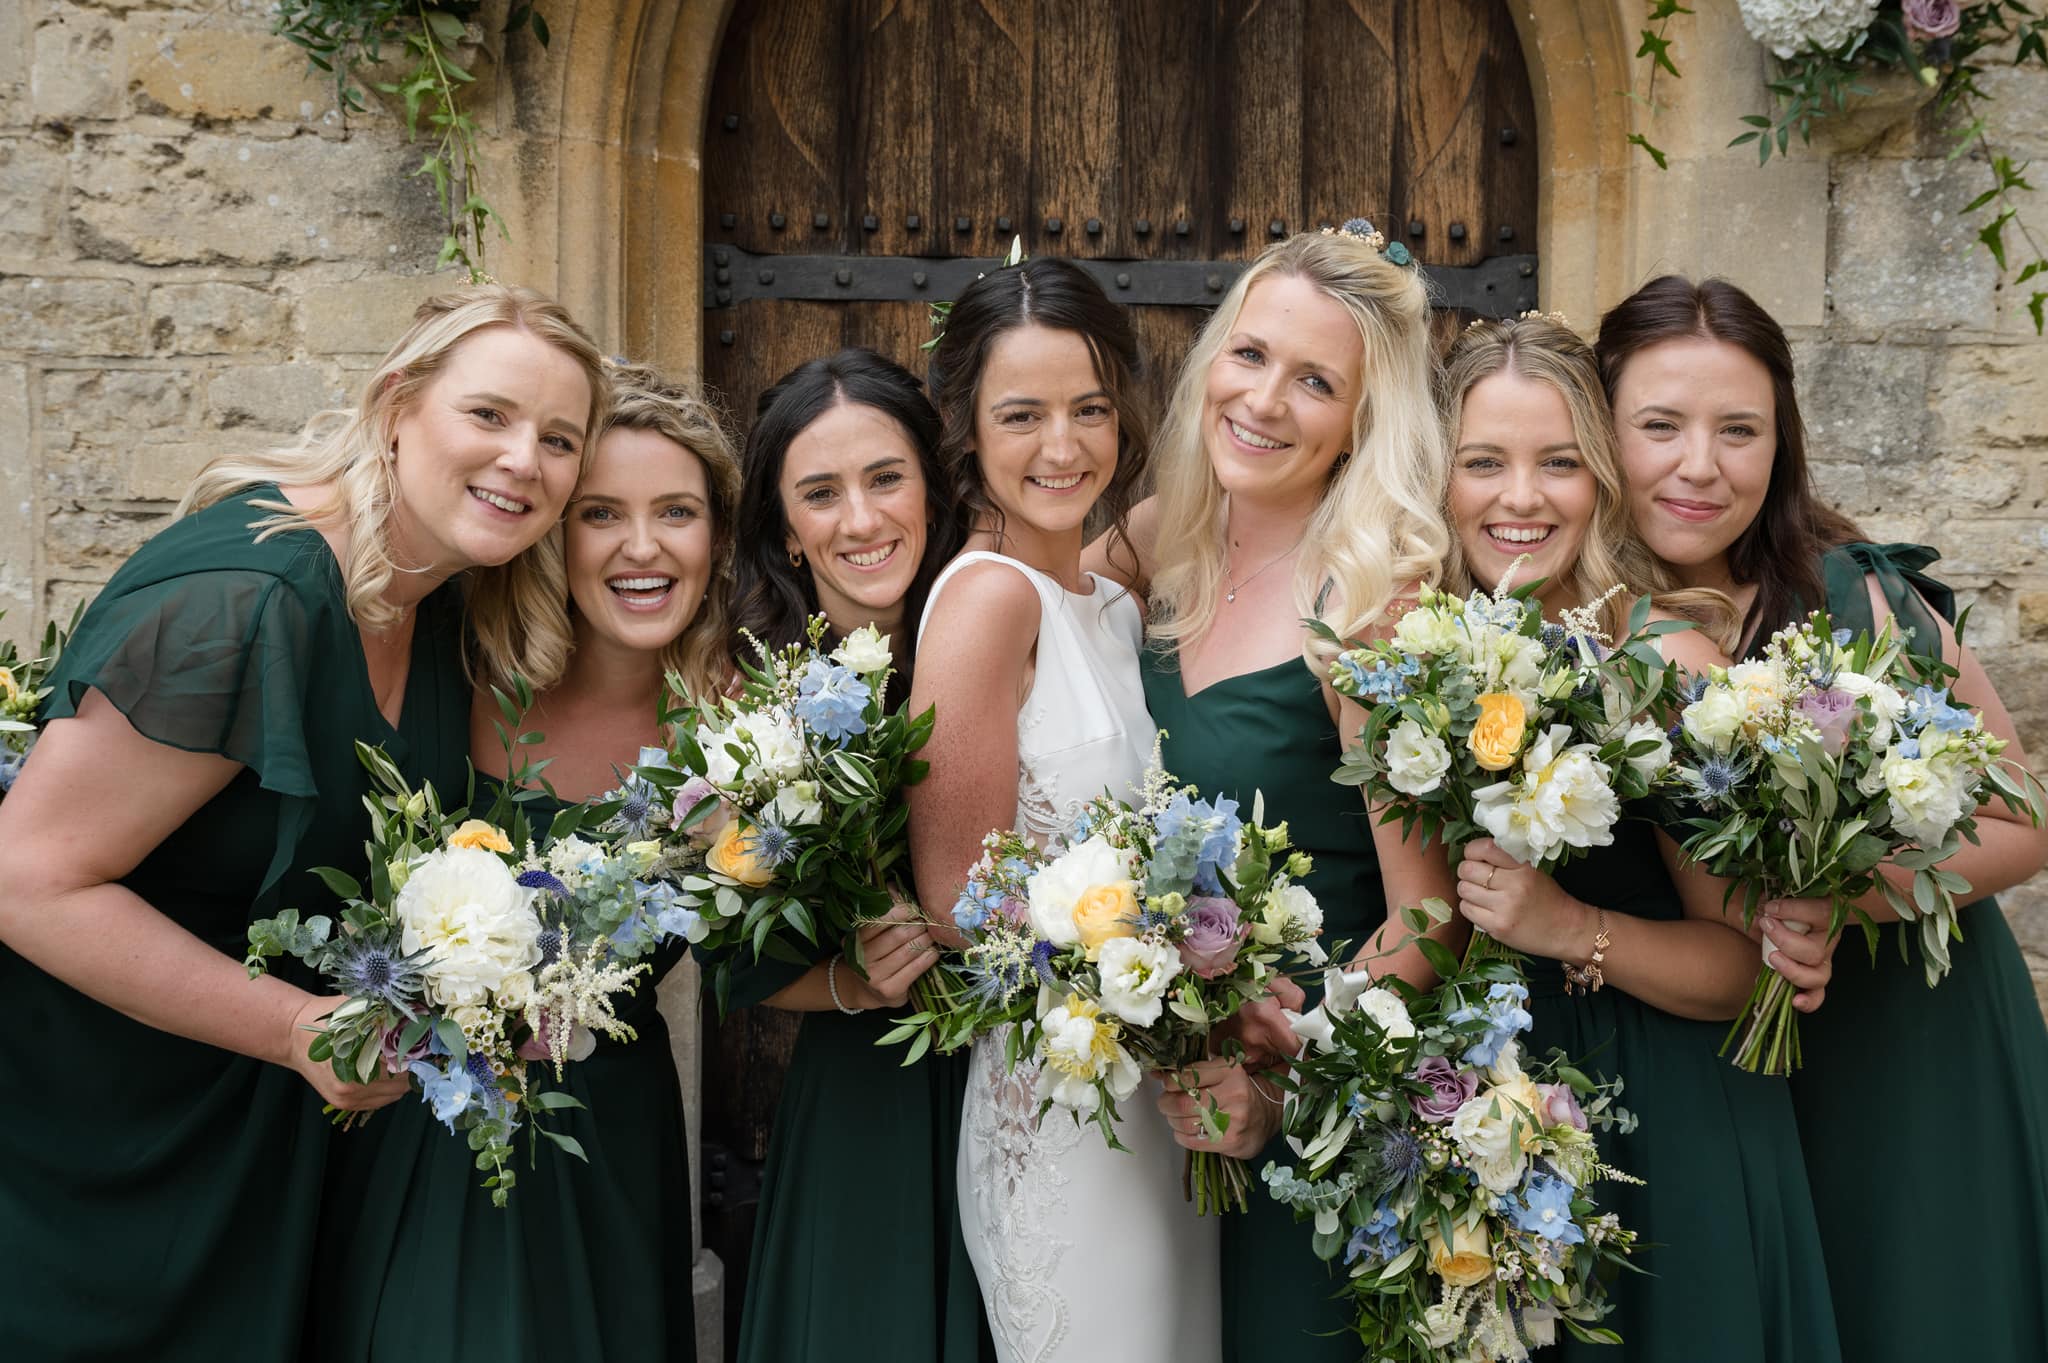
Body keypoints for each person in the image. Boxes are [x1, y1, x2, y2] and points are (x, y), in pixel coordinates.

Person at [0, 284, 605, 1362]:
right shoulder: (245, 602)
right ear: (394, 407)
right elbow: (24, 879)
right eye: (490, 415)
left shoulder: (443, 608)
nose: (526, 459)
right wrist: (293, 1027)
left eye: (560, 439)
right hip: (95, 1127)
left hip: (257, 1132)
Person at [1597, 275, 2048, 1361]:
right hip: (1726, 1066)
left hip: (1915, 1039)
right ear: (1598, 431)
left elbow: (2023, 813)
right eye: (1657, 426)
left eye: (1737, 430)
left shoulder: (1857, 593)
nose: (1698, 465)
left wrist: (1843, 891)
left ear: (1779, 443)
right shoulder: (1587, 630)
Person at [306, 361, 736, 1361]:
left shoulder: (745, 725)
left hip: (609, 1140)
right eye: (599, 514)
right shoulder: (452, 665)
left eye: (675, 511)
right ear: (553, 531)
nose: (642, 547)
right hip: (430, 1122)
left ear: (714, 533)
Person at [1438, 313, 1841, 1360]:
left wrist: (1568, 924)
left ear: (1603, 480)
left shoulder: (1668, 661)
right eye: (1482, 461)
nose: (1518, 498)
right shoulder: (1415, 642)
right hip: (1480, 1127)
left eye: (1559, 463)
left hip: (1665, 1126)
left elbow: (1747, 973)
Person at [1084, 223, 1452, 1362]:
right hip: (1144, 1096)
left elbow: (1428, 917)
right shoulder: (1153, 543)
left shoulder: (1369, 603)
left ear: (1359, 421)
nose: (1263, 401)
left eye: (1314, 382)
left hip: (1293, 1117)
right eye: (1248, 356)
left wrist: (1285, 1078)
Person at [908, 257, 1217, 1363]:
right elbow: (956, 905)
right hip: (1058, 1114)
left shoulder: (1108, 607)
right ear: (964, 426)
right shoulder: (986, 601)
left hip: (1154, 1098)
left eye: (1089, 409)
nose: (1063, 445)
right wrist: (1153, 964)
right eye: (1022, 414)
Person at [721, 349, 991, 1363]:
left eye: (885, 478)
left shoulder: (1010, 634)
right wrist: (846, 979)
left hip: (1034, 1077)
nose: (862, 519)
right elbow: (722, 959)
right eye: (820, 494)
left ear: (932, 484)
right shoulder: (753, 705)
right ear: (786, 532)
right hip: (867, 1099)